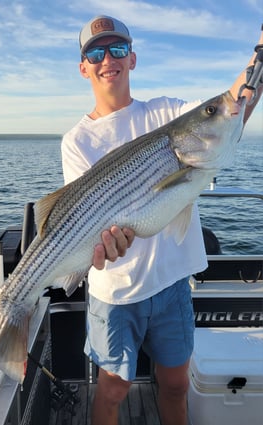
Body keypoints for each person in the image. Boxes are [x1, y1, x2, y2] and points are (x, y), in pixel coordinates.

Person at [61, 15, 263, 425]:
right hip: (115, 293)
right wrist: (106, 242)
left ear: (132, 59)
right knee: (113, 390)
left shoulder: (166, 113)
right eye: (95, 52)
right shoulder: (77, 141)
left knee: (175, 383)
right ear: (83, 67)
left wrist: (261, 52)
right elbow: (85, 221)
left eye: (117, 49)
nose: (107, 59)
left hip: (172, 284)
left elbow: (231, 105)